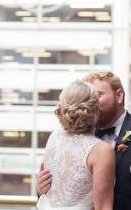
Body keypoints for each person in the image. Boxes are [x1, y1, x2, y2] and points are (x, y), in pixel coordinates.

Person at [37, 71, 131, 210]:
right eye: (87, 99)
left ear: (119, 96)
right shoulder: (66, 140)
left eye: (97, 96)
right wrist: (42, 189)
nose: (91, 103)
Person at [37, 80, 115, 210]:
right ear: (96, 109)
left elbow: (47, 189)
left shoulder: (54, 137)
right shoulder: (101, 151)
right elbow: (103, 207)